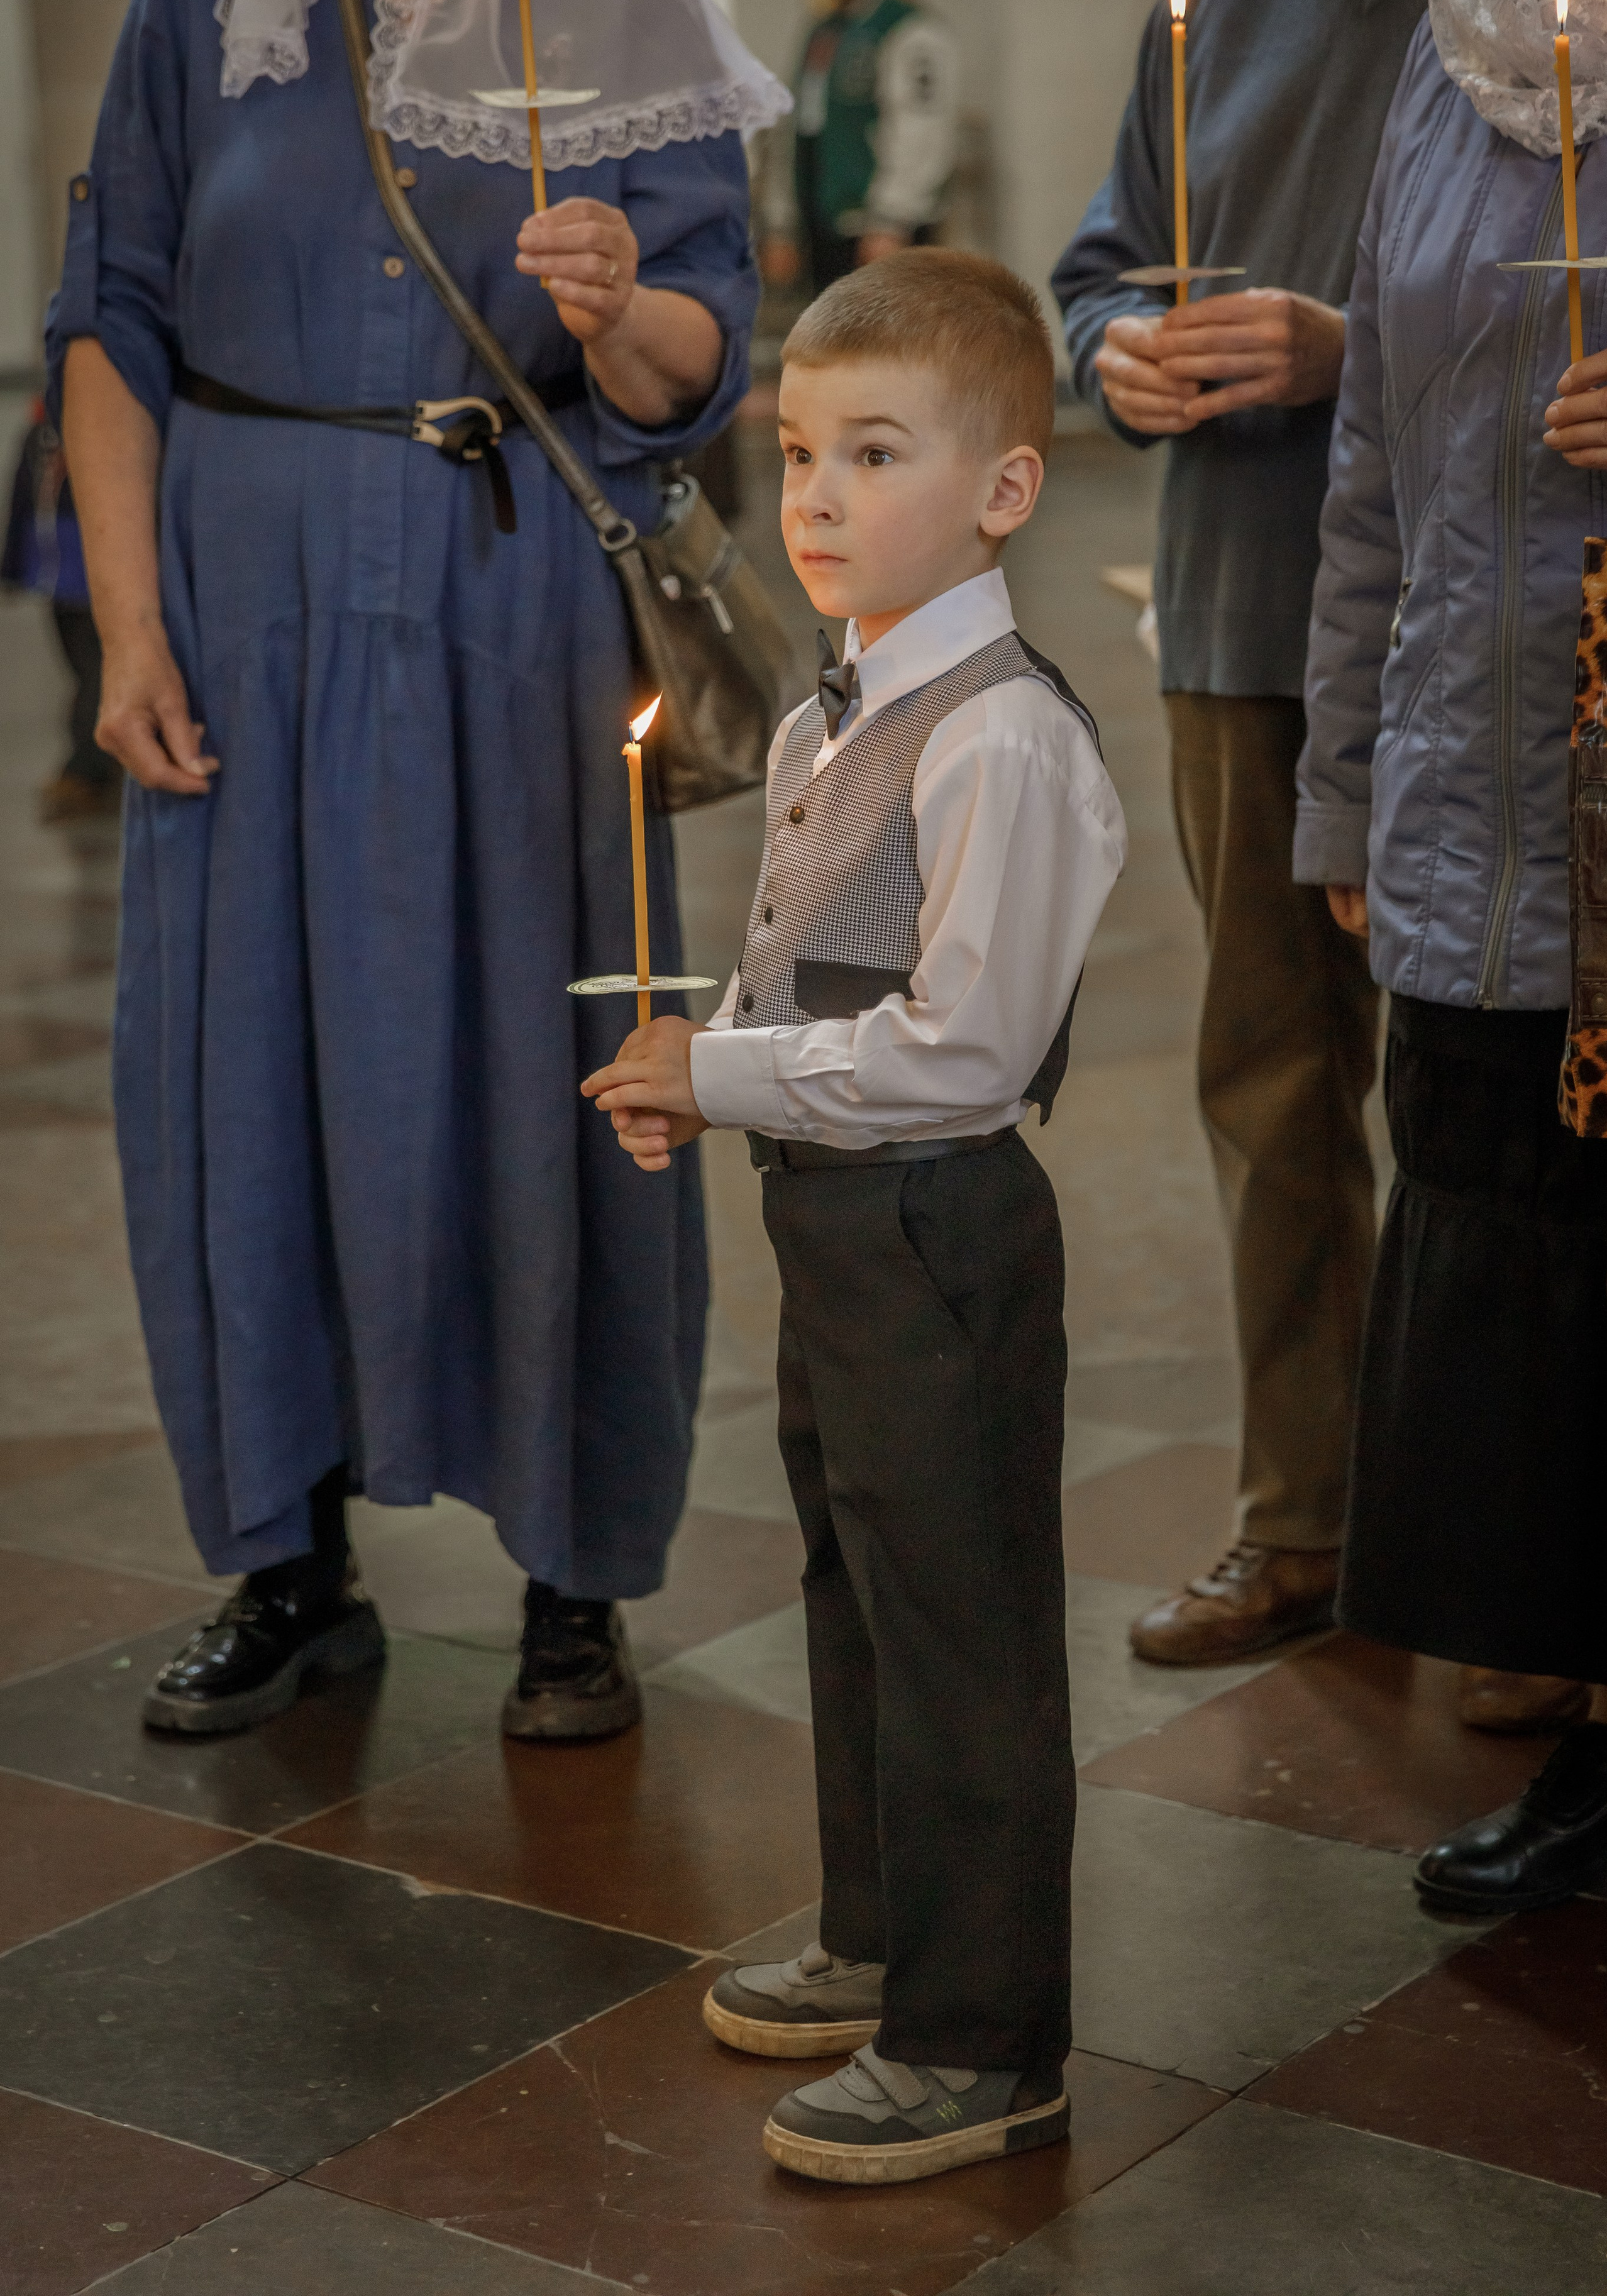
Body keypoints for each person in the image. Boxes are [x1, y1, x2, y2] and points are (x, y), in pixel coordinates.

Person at [49, 0, 785, 1743]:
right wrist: (127, 627)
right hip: (245, 622)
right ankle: (286, 1557)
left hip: (509, 621)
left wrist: (620, 315)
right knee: (247, 1068)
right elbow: (113, 310)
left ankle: (574, 1573)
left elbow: (707, 348)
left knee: (549, 1058)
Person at [583, 250, 1125, 2182]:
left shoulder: (1000, 736)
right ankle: (886, 1930)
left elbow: (961, 1052)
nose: (809, 499)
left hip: (940, 1234)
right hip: (832, 1232)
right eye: (794, 451)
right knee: (857, 1587)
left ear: (1001, 490)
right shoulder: (828, 719)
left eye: (870, 453)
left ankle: (986, 2043)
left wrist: (715, 1071)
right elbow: (795, 973)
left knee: (961, 1624)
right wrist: (693, 1064)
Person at [1052, 0, 1473, 1681]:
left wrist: (1346, 346)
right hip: (1237, 605)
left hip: (1463, 620)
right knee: (1272, 1079)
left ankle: (1487, 1552)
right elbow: (1095, 270)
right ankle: (1303, 1517)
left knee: (1479, 1100)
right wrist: (1116, 361)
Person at [1299, 0, 1607, 1913]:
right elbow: (1373, 462)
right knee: (1513, 1248)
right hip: (1469, 778)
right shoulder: (1455, 32)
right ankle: (1589, 1730)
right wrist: (1343, 781)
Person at [761, 0, 958, 297]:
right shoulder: (821, 32)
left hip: (881, 229)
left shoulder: (908, 29)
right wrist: (781, 223)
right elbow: (793, 129)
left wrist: (892, 218)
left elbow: (921, 128)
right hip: (822, 224)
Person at [2, 404, 121, 822]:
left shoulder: (106, 415)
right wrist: (13, 566)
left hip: (95, 569)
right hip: (54, 571)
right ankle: (102, 760)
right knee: (81, 670)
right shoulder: (41, 426)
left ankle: (87, 770)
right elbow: (23, 497)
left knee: (96, 672)